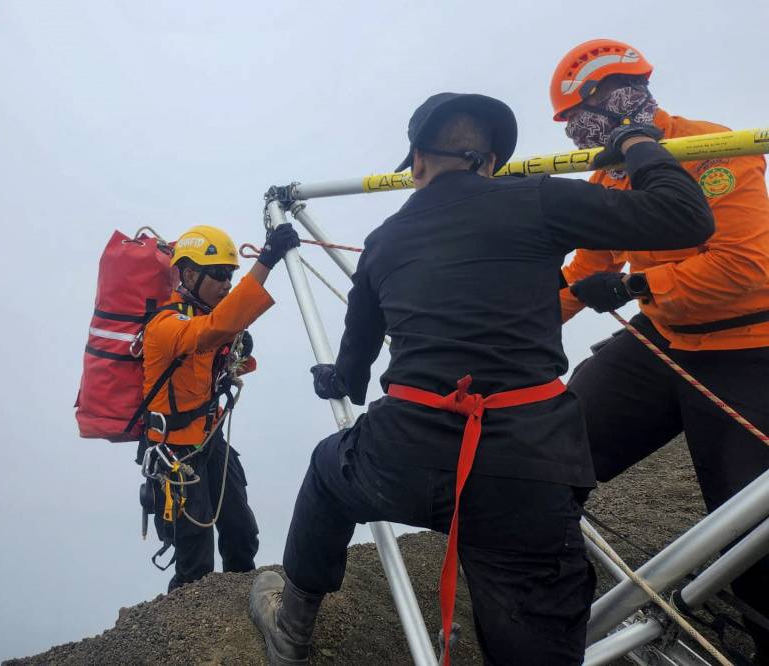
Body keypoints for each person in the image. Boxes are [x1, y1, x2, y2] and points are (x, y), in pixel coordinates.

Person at [249, 92, 714, 665]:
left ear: (416, 161)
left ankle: (291, 629)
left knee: (327, 469)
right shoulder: (538, 198)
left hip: (401, 461)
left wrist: (334, 380)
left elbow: (354, 369)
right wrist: (636, 142)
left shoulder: (383, 241)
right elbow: (687, 217)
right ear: (491, 162)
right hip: (524, 472)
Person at [552, 39, 769, 661]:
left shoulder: (713, 148)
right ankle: (551, 605)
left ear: (609, 99)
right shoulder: (611, 175)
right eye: (568, 125)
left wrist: (633, 285)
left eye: (576, 119)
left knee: (749, 526)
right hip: (662, 339)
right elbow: (586, 268)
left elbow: (744, 267)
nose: (574, 133)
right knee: (552, 452)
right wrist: (515, 323)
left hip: (748, 346)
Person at [140, 223, 299, 592]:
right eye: (219, 275)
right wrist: (266, 261)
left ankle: (242, 617)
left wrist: (238, 351)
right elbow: (210, 331)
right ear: (190, 274)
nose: (227, 283)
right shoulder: (167, 325)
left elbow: (222, 348)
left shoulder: (202, 320)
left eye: (230, 274)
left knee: (241, 533)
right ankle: (189, 631)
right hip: (174, 455)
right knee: (195, 560)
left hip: (209, 443)